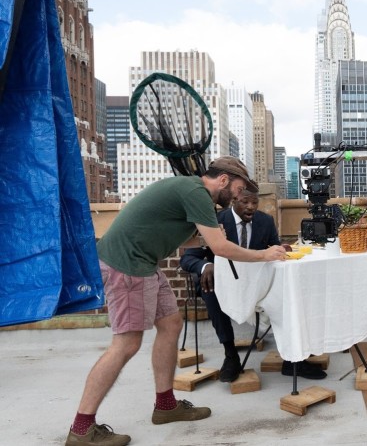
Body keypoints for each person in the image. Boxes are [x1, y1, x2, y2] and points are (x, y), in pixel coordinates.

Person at [66, 157, 288, 446]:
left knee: (171, 325)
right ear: (223, 180)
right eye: (238, 188)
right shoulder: (196, 193)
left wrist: (208, 241)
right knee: (126, 344)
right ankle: (82, 428)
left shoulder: (194, 194)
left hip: (144, 264)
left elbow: (181, 238)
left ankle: (165, 406)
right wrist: (264, 254)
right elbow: (221, 249)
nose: (239, 195)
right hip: (127, 265)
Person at [180, 187, 327, 381]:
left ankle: (293, 360)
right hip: (221, 282)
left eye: (254, 202)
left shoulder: (265, 222)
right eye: (244, 202)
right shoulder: (215, 222)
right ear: (233, 201)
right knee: (210, 289)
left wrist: (281, 249)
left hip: (257, 282)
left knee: (289, 289)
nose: (251, 207)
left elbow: (274, 249)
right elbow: (188, 258)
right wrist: (206, 265)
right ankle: (230, 355)